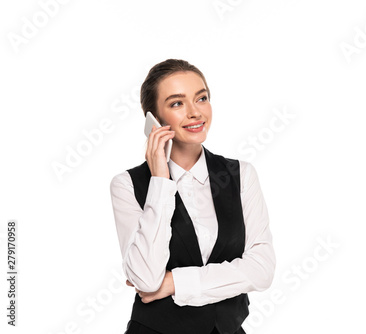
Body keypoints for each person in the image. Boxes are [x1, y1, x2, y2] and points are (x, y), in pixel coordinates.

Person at [110, 59, 276, 334]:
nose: (195, 112)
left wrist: (175, 282)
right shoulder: (127, 185)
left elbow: (262, 269)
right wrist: (160, 181)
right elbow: (147, 279)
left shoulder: (241, 175)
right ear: (153, 119)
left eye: (202, 98)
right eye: (177, 103)